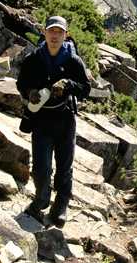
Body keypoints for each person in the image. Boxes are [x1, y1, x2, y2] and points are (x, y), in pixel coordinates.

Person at [16, 15, 91, 227]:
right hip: (42, 120)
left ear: (66, 35)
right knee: (41, 167)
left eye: (59, 32)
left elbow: (85, 88)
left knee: (64, 165)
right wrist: (29, 92)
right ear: (44, 33)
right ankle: (41, 199)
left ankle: (61, 204)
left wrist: (68, 84)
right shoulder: (33, 59)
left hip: (65, 118)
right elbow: (21, 83)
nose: (55, 36)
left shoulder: (73, 61)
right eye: (51, 31)